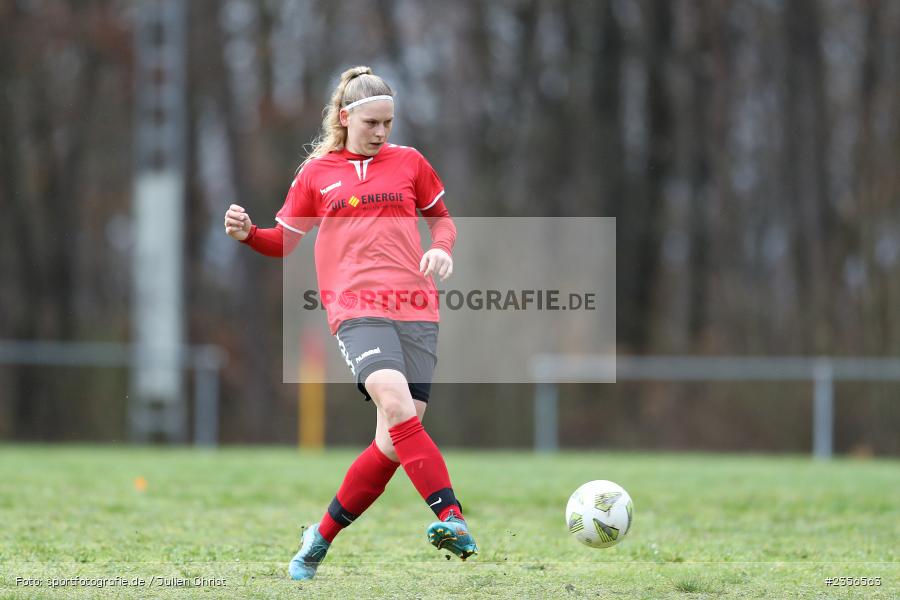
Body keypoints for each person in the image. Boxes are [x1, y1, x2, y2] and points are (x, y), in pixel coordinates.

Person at [223, 66, 477, 580]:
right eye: (372, 123)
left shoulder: (410, 163)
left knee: (391, 441)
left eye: (388, 123)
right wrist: (251, 233)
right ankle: (452, 517)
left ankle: (318, 538)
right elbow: (284, 241)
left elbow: (442, 219)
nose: (382, 133)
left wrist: (442, 250)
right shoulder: (316, 174)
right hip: (356, 310)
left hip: (417, 309)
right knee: (396, 403)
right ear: (345, 118)